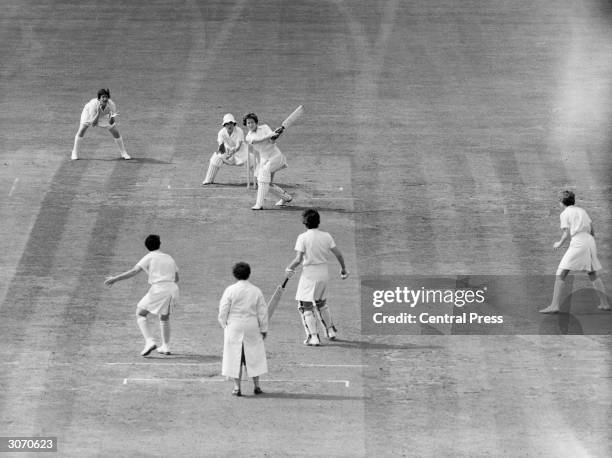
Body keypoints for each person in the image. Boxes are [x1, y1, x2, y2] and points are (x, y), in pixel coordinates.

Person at [104, 234, 179, 356]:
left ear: (147, 246)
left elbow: (134, 271)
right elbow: (176, 278)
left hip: (159, 289)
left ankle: (149, 341)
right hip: (173, 289)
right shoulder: (169, 258)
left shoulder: (148, 257)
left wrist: (115, 279)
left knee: (140, 313)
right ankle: (165, 347)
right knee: (164, 317)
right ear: (159, 244)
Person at [285, 209, 349, 346]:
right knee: (321, 303)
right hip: (323, 273)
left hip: (309, 275)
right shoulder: (326, 236)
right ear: (318, 221)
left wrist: (289, 268)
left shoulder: (302, 237)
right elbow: (338, 254)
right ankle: (330, 331)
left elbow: (298, 259)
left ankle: (313, 337)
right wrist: (343, 269)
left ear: (304, 222)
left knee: (305, 306)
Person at [540, 191, 610, 313]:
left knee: (561, 272)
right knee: (592, 273)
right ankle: (604, 304)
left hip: (579, 243)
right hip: (590, 241)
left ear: (562, 202)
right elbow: (592, 230)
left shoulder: (564, 214)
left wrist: (558, 243)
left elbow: (566, 234)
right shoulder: (582, 211)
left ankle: (554, 306)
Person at [218, 262, 268, 396]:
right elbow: (262, 311)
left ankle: (236, 387)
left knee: (235, 355)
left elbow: (223, 310)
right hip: (251, 325)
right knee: (254, 355)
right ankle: (257, 386)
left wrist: (224, 324)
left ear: (235, 275)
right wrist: (263, 328)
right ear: (249, 273)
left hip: (234, 325)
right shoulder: (256, 290)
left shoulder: (230, 290)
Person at [243, 112, 292, 210]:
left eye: (252, 122)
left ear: (256, 122)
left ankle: (259, 205)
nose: (250, 125)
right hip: (264, 159)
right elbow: (258, 140)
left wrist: (275, 136)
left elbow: (272, 141)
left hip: (276, 156)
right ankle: (286, 197)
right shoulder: (248, 137)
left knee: (263, 176)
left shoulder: (265, 127)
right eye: (248, 123)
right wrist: (270, 135)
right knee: (265, 182)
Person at [71, 88, 131, 161]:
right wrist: (98, 112)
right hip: (89, 114)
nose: (105, 99)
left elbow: (111, 122)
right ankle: (74, 152)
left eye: (106, 97)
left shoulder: (111, 105)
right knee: (82, 129)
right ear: (99, 99)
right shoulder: (93, 105)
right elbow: (93, 124)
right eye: (103, 97)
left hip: (105, 114)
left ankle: (123, 153)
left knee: (115, 132)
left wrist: (111, 115)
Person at [202, 113, 255, 185]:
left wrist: (232, 152)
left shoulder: (239, 131)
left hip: (241, 152)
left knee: (252, 160)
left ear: (234, 124)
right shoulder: (221, 133)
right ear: (224, 125)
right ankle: (208, 180)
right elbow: (221, 146)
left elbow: (238, 146)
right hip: (227, 151)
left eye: (231, 123)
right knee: (216, 158)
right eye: (227, 124)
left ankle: (260, 180)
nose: (229, 125)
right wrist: (224, 153)